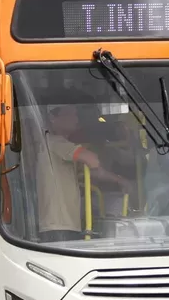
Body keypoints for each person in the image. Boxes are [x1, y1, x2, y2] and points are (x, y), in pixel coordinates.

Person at [36, 104, 129, 243]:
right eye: (71, 114)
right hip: (58, 225)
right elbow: (92, 160)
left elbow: (94, 172)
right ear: (53, 118)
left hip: (65, 223)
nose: (76, 119)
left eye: (77, 115)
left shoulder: (59, 150)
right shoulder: (54, 142)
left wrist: (119, 180)